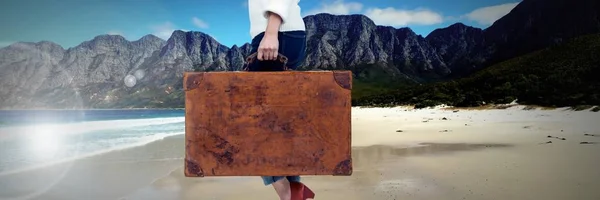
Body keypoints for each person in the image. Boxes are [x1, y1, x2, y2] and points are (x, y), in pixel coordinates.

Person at [246, 0, 311, 200]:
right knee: (278, 125)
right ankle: (293, 189)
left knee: (251, 123)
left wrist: (271, 32)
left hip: (278, 33)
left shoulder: (273, 33)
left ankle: (288, 194)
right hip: (283, 33)